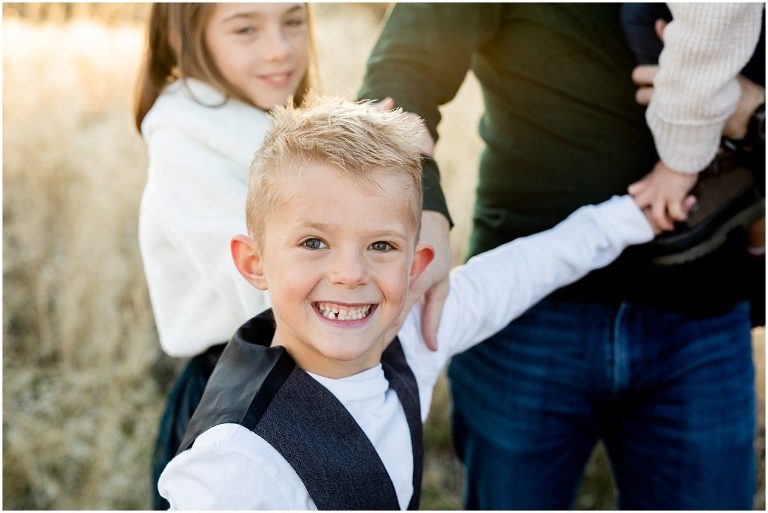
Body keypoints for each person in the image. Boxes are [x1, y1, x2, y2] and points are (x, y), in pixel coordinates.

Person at [157, 96, 659, 509]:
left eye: (381, 246)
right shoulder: (235, 463)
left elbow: (524, 270)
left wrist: (638, 214)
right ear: (254, 261)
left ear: (416, 265)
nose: (350, 274)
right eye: (314, 243)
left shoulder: (412, 338)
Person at [357, 4, 759, 509]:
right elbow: (402, 70)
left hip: (700, 311)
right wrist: (427, 206)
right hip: (525, 311)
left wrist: (759, 113)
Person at [132, 3, 314, 508]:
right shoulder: (187, 142)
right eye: (245, 28)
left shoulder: (265, 124)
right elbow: (265, 292)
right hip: (240, 393)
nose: (280, 47)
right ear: (191, 37)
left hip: (301, 377)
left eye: (293, 20)